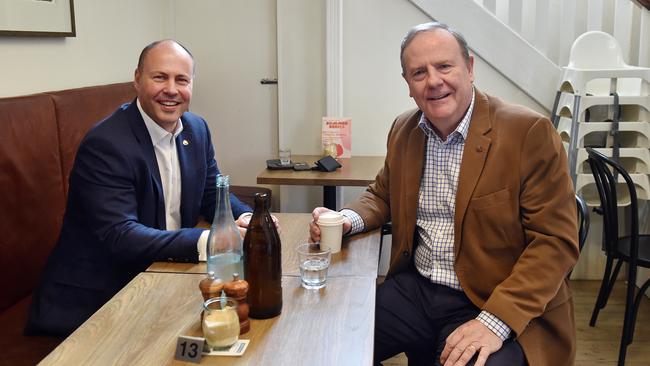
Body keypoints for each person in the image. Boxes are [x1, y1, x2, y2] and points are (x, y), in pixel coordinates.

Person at [310, 22, 578, 366]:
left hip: (494, 298)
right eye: (418, 72)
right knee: (327, 342)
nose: (433, 81)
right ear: (408, 85)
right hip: (418, 289)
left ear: (469, 68)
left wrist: (495, 321)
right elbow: (382, 194)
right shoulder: (404, 130)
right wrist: (345, 220)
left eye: (444, 66)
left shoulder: (529, 133)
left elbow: (555, 243)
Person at [25, 40, 255, 336]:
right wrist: (209, 241)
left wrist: (248, 218)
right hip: (98, 298)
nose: (171, 89)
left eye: (181, 79)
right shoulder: (106, 144)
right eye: (160, 77)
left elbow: (212, 195)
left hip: (162, 276)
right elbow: (120, 236)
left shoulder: (196, 129)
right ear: (137, 79)